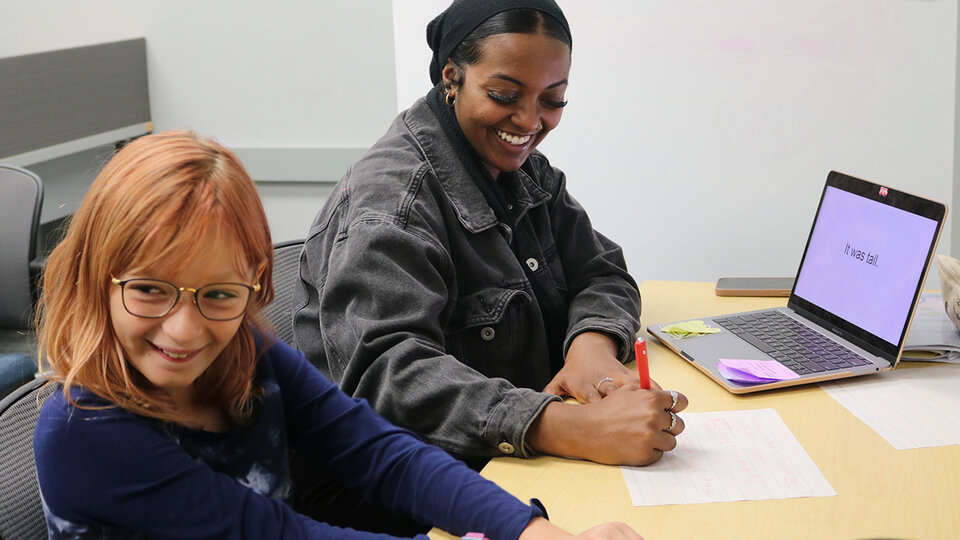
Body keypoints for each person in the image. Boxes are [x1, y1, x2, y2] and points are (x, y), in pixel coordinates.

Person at [33, 130, 643, 539]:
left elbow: (380, 452)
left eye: (219, 294)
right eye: (149, 290)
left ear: (254, 286)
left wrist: (529, 532)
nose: (185, 327)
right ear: (97, 277)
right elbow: (276, 533)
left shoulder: (249, 353)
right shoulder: (83, 431)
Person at [293, 0, 688, 472]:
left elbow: (600, 271)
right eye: (504, 95)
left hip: (510, 461)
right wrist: (567, 427)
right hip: (406, 481)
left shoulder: (526, 175)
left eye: (553, 98)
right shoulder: (392, 205)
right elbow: (389, 376)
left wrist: (592, 347)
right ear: (451, 78)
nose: (528, 121)